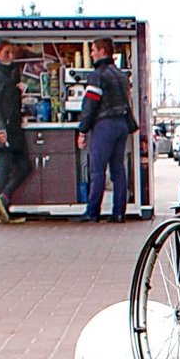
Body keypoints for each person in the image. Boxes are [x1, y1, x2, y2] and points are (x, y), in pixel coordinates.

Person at [75, 38, 136, 222]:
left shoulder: (97, 75)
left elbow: (90, 105)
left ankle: (92, 212)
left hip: (105, 125)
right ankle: (119, 213)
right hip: (122, 124)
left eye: (93, 50)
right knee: (118, 169)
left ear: (102, 51)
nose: (92, 54)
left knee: (97, 170)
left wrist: (82, 130)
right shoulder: (121, 75)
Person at [0, 39, 31, 224]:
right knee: (5, 166)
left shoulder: (7, 74)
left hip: (12, 126)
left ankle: (3, 199)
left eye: (12, 52)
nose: (10, 56)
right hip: (4, 128)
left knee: (23, 166)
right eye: (6, 53)